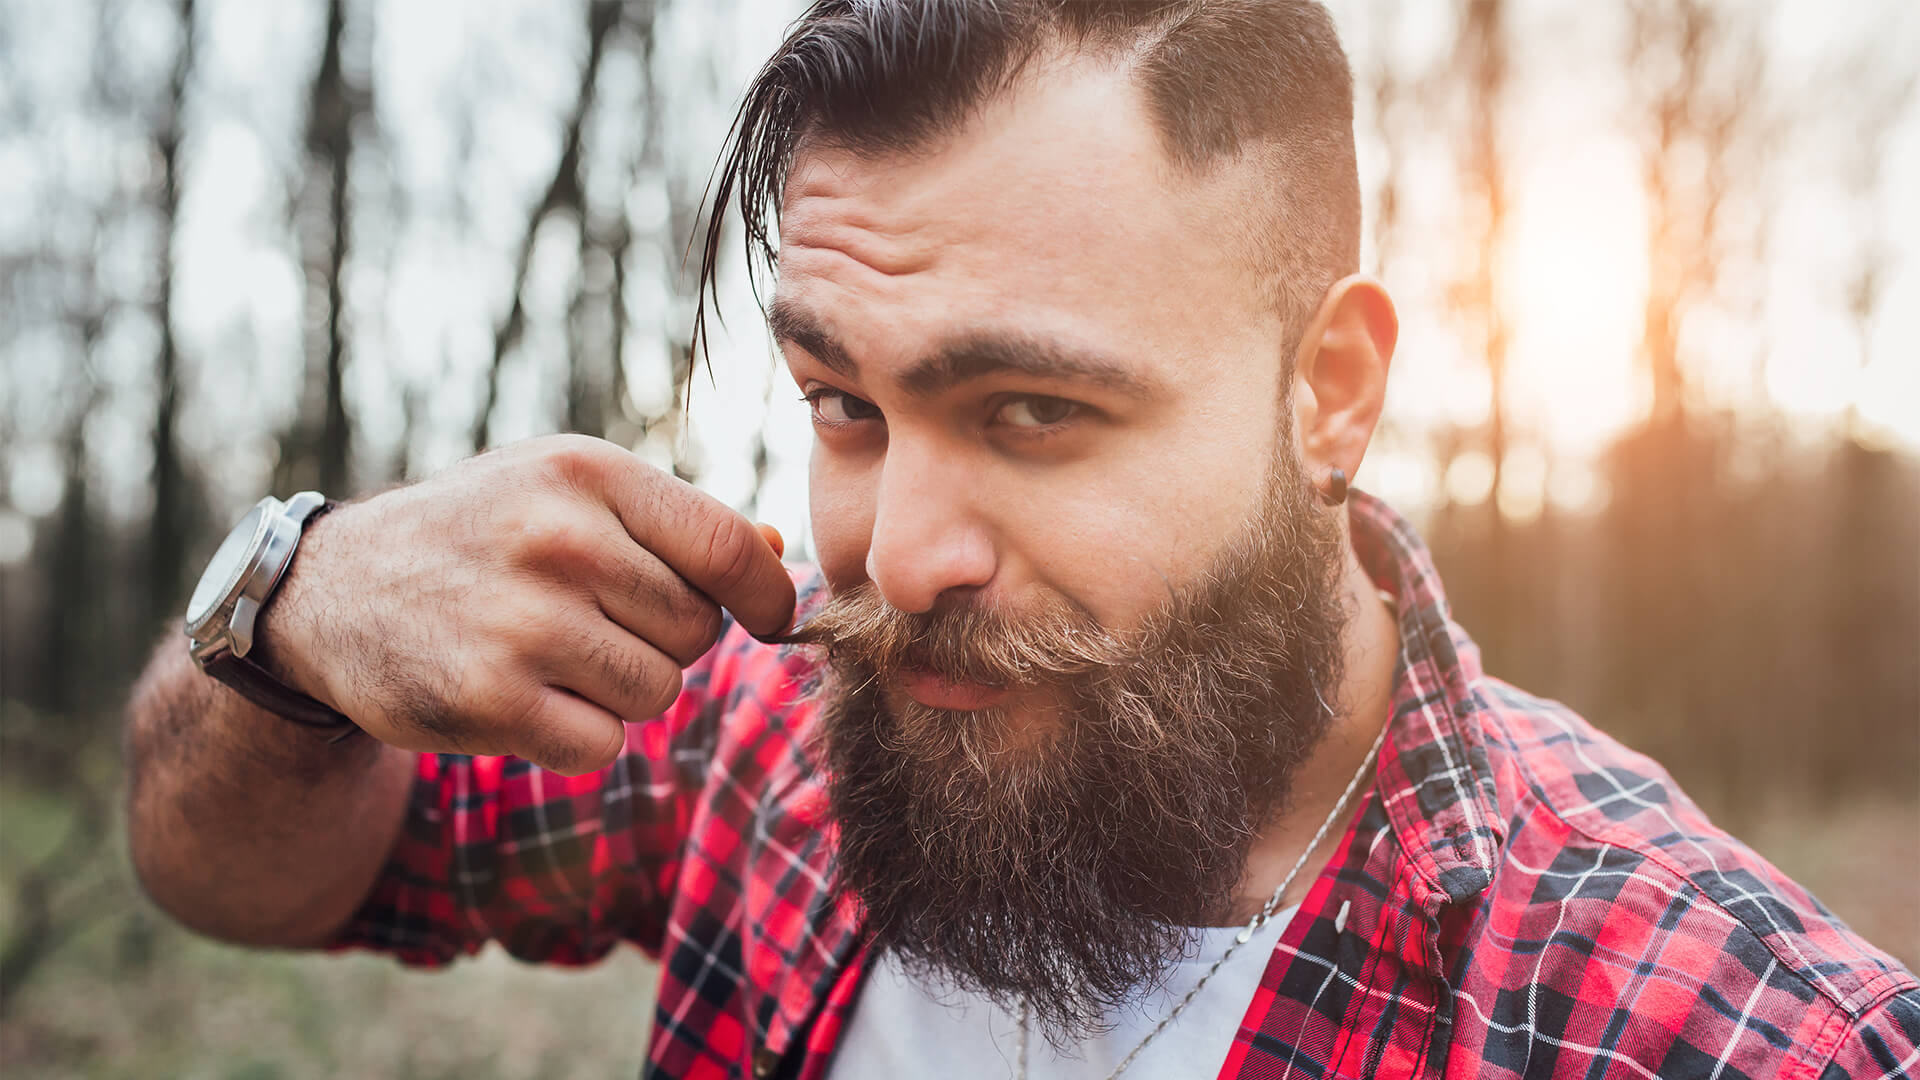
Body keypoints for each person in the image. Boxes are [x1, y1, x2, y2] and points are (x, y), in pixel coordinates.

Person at [125, 2, 1917, 1078]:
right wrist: (293, 614)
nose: (899, 560)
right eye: (843, 404)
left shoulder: (1699, 1025)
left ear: (1331, 394)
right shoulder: (775, 745)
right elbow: (245, 875)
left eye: (1032, 415)